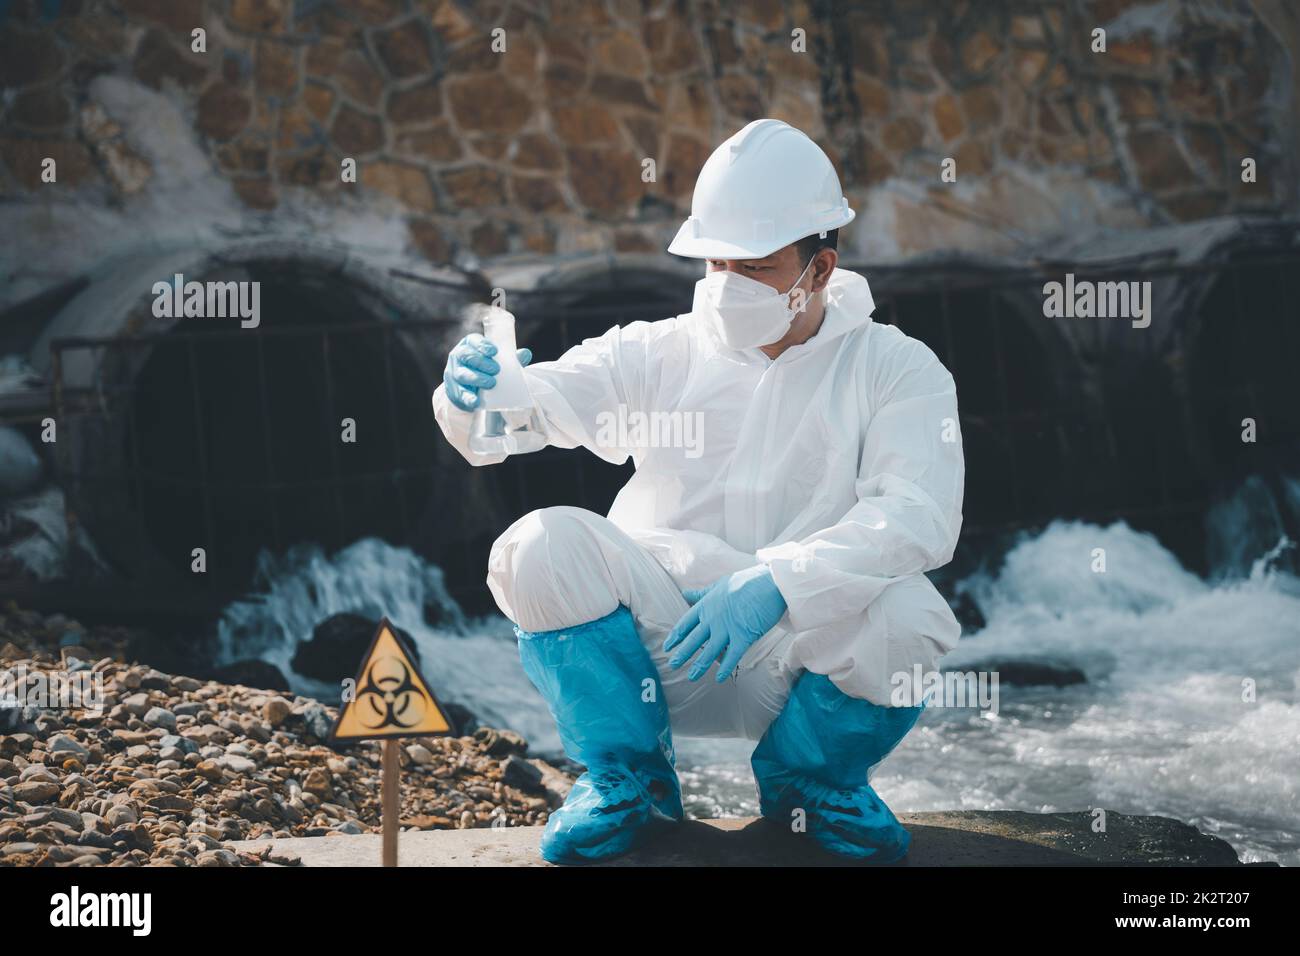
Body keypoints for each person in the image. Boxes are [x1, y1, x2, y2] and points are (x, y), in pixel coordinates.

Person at [432, 119, 964, 865]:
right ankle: (628, 782)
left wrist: (778, 583)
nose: (728, 285)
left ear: (821, 268)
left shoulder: (895, 369)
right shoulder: (659, 351)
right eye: (717, 261)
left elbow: (921, 515)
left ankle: (811, 785)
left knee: (910, 617)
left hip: (800, 654)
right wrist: (473, 396)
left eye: (758, 265)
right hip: (658, 650)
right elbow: (522, 414)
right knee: (537, 546)